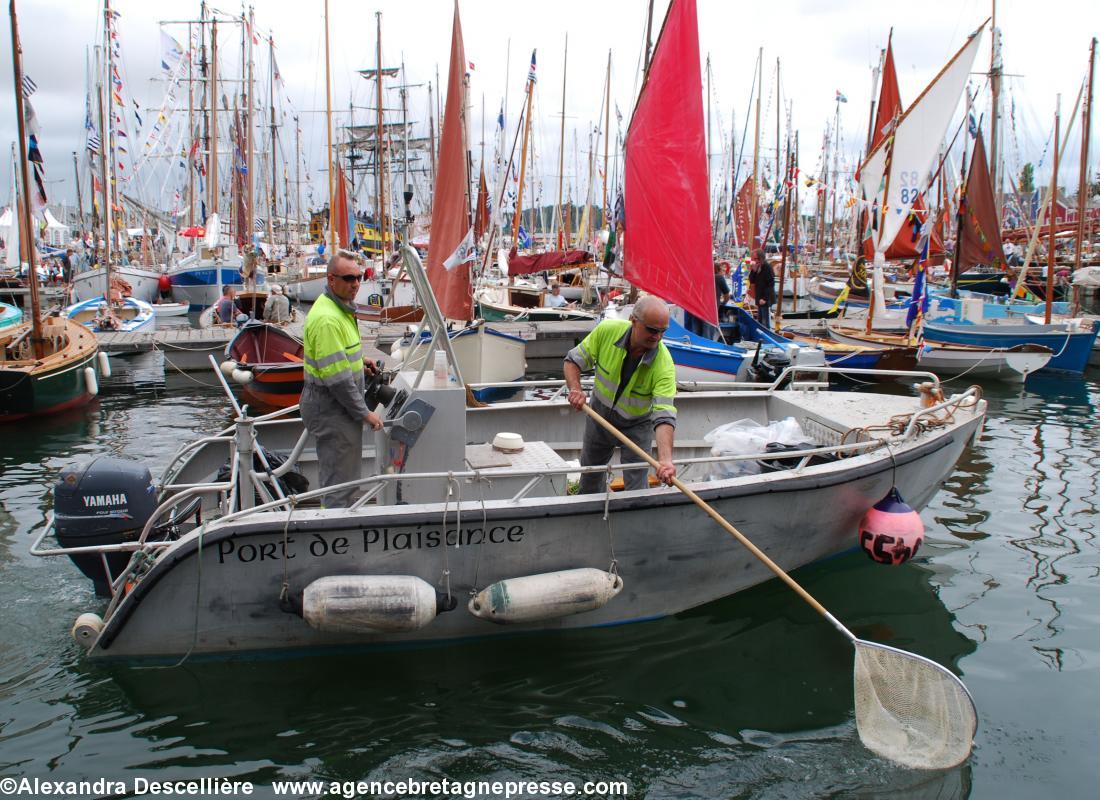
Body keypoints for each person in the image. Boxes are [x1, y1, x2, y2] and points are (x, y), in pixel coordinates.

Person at [563, 295, 677, 494]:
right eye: (652, 330)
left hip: (637, 425)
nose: (657, 337)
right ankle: (591, 517)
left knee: (636, 485)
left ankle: (634, 518)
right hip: (599, 417)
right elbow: (572, 360)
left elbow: (664, 415)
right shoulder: (607, 332)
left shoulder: (664, 364)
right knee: (590, 476)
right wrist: (575, 389)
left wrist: (665, 460)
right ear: (633, 320)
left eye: (662, 332)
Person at [300, 251, 383, 508]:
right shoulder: (328, 319)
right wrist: (365, 414)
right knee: (340, 483)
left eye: (360, 277)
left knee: (341, 476)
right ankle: (334, 535)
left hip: (336, 408)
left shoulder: (340, 309)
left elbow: (338, 359)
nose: (355, 284)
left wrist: (360, 363)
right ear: (331, 279)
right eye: (348, 278)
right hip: (333, 410)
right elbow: (337, 380)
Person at [748, 248, 776, 329]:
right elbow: (752, 281)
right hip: (759, 297)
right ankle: (761, 336)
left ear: (761, 258)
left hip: (765, 298)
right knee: (760, 321)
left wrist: (765, 298)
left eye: (756, 259)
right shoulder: (757, 267)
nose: (754, 261)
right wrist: (753, 271)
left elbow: (771, 284)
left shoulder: (767, 267)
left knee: (765, 321)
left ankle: (767, 336)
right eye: (753, 259)